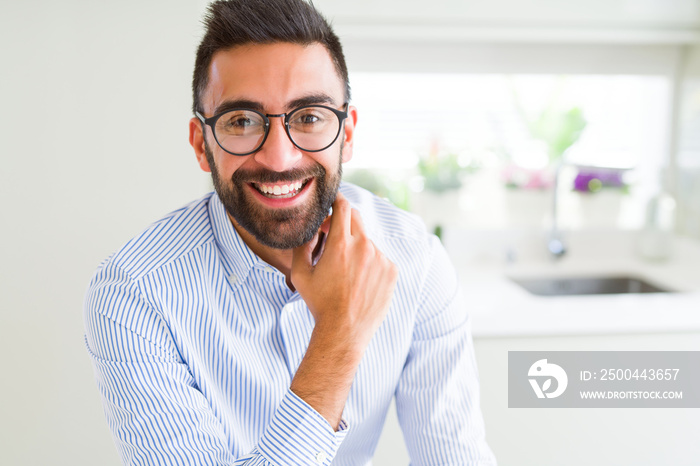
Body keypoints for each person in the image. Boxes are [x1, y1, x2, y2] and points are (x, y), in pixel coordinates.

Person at [83, 0, 497, 464]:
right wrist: (338, 335)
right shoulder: (135, 295)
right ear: (202, 145)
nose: (279, 159)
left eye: (309, 117)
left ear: (346, 134)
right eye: (241, 121)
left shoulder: (414, 259)